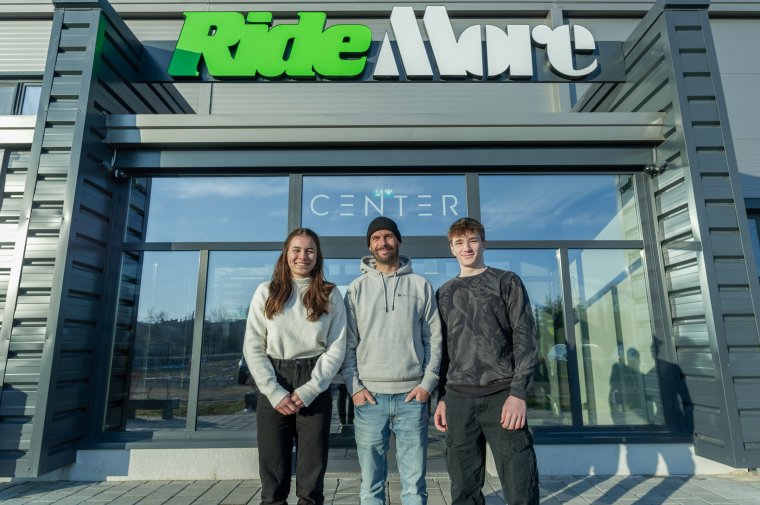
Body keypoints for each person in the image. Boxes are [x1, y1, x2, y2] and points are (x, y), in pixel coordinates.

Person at [434, 217, 539, 505]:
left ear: (484, 243)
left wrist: (518, 393)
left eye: (472, 240)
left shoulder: (507, 281)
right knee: (463, 487)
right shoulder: (444, 293)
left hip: (502, 396)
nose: (466, 247)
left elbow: (525, 338)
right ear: (452, 248)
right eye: (459, 242)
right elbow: (442, 351)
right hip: (458, 400)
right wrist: (441, 397)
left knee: (520, 483)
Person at [342, 216, 442, 505]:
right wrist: (354, 388)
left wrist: (427, 384)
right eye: (376, 238)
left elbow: (434, 339)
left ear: (398, 240)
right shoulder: (356, 288)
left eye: (388, 236)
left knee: (414, 486)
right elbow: (347, 344)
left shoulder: (421, 285)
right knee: (371, 486)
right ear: (369, 246)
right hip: (369, 399)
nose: (382, 242)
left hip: (412, 398)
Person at [243, 228, 347, 505]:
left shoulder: (330, 293)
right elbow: (253, 346)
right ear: (286, 254)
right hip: (274, 377)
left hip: (315, 379)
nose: (303, 256)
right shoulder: (266, 291)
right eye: (297, 250)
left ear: (318, 256)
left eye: (310, 250)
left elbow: (337, 346)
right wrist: (273, 391)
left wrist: (312, 388)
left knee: (311, 480)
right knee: (273, 476)